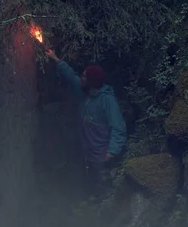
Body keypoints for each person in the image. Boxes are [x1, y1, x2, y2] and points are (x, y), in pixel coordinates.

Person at [46, 48, 127, 200]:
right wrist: (55, 58)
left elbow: (119, 128)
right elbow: (71, 76)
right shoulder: (84, 92)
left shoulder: (107, 101)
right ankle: (86, 203)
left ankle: (98, 209)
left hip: (102, 156)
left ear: (91, 82)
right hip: (87, 153)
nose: (81, 78)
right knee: (87, 183)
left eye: (84, 77)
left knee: (101, 187)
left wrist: (111, 152)